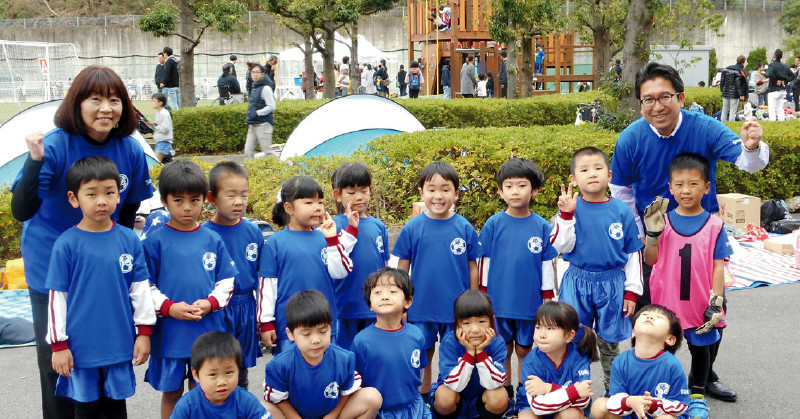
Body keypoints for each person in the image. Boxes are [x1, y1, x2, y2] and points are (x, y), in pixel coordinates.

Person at [609, 62, 767, 402]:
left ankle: (704, 377)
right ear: (640, 104)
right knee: (650, 315)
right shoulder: (631, 139)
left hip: (700, 237)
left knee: (711, 312)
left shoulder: (706, 128)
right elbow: (620, 191)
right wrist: (640, 235)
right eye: (648, 99)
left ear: (680, 97)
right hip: (653, 237)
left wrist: (752, 146)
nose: (657, 106)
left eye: (664, 96)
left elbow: (746, 160)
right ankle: (643, 377)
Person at [10, 65, 154, 419]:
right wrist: (35, 160)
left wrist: (114, 255)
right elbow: (21, 209)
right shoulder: (57, 144)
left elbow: (129, 206)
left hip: (102, 267)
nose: (106, 108)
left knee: (104, 355)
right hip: (51, 265)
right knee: (58, 363)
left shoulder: (130, 151)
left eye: (115, 100)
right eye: (96, 99)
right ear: (78, 103)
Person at [46, 156, 155, 418]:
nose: (102, 200)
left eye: (109, 192)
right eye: (91, 194)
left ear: (119, 195)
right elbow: (56, 299)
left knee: (117, 407)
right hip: (80, 347)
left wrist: (144, 333)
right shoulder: (66, 244)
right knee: (86, 409)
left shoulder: (129, 239)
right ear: (74, 198)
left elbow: (140, 291)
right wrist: (59, 346)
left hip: (119, 343)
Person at [143, 161, 238, 419]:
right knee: (172, 393)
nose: (187, 207)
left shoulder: (212, 238)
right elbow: (144, 286)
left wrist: (210, 303)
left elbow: (227, 281)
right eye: (178, 200)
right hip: (170, 335)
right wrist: (169, 308)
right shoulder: (154, 242)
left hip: (207, 332)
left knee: (204, 390)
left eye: (194, 200)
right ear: (164, 200)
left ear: (204, 200)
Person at [643, 153, 733, 419]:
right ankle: (657, 394)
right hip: (666, 303)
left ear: (707, 187)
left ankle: (696, 396)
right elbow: (651, 259)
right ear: (670, 187)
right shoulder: (662, 221)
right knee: (659, 349)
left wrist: (715, 301)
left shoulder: (715, 225)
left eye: (693, 184)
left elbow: (718, 266)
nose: (686, 190)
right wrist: (652, 236)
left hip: (699, 304)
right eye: (679, 184)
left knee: (701, 350)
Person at [550, 147, 643, 393]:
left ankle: (614, 393)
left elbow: (633, 253)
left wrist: (631, 291)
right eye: (584, 170)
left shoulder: (621, 210)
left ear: (609, 175)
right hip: (577, 281)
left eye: (598, 168)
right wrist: (566, 215)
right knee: (574, 336)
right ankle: (575, 392)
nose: (592, 174)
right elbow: (560, 245)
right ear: (573, 179)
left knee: (609, 341)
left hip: (612, 283)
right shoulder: (570, 209)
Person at [390, 161, 482, 403]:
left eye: (445, 189)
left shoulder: (464, 227)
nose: (438, 196)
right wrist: (402, 302)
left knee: (456, 354)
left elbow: (473, 266)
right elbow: (402, 267)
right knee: (423, 355)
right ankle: (423, 399)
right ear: (421, 192)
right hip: (422, 307)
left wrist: (473, 302)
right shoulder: (413, 227)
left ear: (456, 193)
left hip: (456, 310)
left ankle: (451, 399)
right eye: (431, 189)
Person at [478, 158, 557, 414]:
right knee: (503, 351)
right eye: (508, 186)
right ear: (500, 191)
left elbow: (547, 264)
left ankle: (525, 398)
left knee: (525, 350)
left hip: (529, 304)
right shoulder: (493, 224)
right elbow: (485, 263)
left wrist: (547, 299)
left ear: (533, 190)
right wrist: (483, 297)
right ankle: (506, 397)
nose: (515, 191)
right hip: (498, 304)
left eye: (521, 185)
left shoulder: (541, 225)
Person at [257, 176, 358, 354]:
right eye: (309, 202)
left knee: (327, 371)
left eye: (320, 202)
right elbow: (267, 287)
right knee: (291, 374)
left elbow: (340, 272)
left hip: (324, 323)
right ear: (289, 208)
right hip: (290, 327)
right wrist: (265, 322)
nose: (318, 207)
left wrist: (333, 240)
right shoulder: (275, 243)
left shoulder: (325, 238)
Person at [262, 290, 382, 419]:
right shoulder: (279, 365)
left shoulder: (344, 359)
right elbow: (277, 398)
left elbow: (347, 392)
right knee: (262, 408)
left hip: (333, 415)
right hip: (295, 415)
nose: (316, 340)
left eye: (323, 331)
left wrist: (332, 415)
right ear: (290, 334)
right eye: (306, 334)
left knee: (372, 397)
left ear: (330, 327)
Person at [202, 162, 264, 388]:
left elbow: (261, 275)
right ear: (212, 198)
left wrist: (261, 316)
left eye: (244, 195)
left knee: (241, 368)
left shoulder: (253, 231)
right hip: (217, 310)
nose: (239, 201)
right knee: (216, 365)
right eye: (231, 195)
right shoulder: (205, 234)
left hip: (245, 307)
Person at [351, 268, 430, 418]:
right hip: (380, 411)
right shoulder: (361, 341)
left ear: (408, 301)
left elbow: (418, 369)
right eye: (378, 292)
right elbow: (355, 383)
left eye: (393, 291)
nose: (385, 297)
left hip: (412, 408)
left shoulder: (416, 335)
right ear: (370, 304)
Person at [591, 305, 689, 419]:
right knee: (598, 406)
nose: (650, 318)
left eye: (659, 317)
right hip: (630, 412)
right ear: (633, 332)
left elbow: (681, 405)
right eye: (645, 315)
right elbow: (616, 398)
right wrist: (629, 401)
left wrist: (653, 405)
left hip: (658, 414)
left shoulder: (672, 365)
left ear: (670, 339)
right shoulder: (621, 361)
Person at [331, 163, 389, 350]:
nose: (358, 197)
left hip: (375, 307)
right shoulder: (332, 227)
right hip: (345, 307)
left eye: (363, 191)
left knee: (374, 354)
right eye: (351, 192)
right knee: (347, 357)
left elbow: (384, 266)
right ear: (338, 195)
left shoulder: (378, 226)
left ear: (370, 191)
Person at [431, 290, 508, 419]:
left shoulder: (497, 342)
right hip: (456, 396)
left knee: (500, 396)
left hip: (481, 398)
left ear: (492, 321)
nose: (475, 330)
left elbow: (495, 383)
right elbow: (454, 384)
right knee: (444, 397)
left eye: (482, 322)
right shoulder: (450, 342)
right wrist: (470, 353)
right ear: (457, 324)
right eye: (466, 323)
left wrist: (481, 353)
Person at [516, 302, 598, 418]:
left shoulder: (579, 356)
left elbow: (583, 398)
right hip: (534, 409)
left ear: (569, 336)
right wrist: (573, 392)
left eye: (550, 328)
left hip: (566, 408)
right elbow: (538, 406)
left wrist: (548, 388)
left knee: (571, 415)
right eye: (538, 327)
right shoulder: (530, 362)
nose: (542, 335)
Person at [171, 332, 269, 418]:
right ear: (196, 374)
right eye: (213, 374)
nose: (222, 382)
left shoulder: (247, 402)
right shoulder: (186, 406)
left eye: (229, 372)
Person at [244, 64, 277, 159]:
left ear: (263, 74)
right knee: (248, 151)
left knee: (267, 152)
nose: (255, 74)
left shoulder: (265, 88)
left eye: (257, 72)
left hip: (263, 125)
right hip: (253, 124)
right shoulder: (254, 87)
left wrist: (258, 113)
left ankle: (280, 168)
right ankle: (249, 172)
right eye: (253, 72)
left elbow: (271, 106)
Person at [767, 48, 795, 121]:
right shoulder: (785, 66)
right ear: (781, 57)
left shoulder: (772, 65)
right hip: (782, 89)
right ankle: (781, 120)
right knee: (780, 108)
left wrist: (776, 80)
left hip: (773, 89)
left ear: (774, 56)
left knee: (772, 108)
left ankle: (772, 122)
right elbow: (792, 76)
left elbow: (769, 73)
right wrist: (785, 81)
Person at [719, 55, 748, 121]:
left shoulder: (726, 70)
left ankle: (723, 123)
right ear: (743, 62)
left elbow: (722, 81)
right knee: (733, 110)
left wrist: (722, 90)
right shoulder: (740, 72)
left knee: (724, 109)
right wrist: (741, 94)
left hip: (725, 92)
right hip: (734, 94)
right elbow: (739, 84)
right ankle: (731, 125)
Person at [151, 92, 173, 164]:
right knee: (162, 162)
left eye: (154, 101)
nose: (152, 103)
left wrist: (155, 126)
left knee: (156, 163)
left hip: (164, 141)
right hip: (160, 140)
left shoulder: (164, 113)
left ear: (160, 103)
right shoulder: (158, 113)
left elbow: (165, 129)